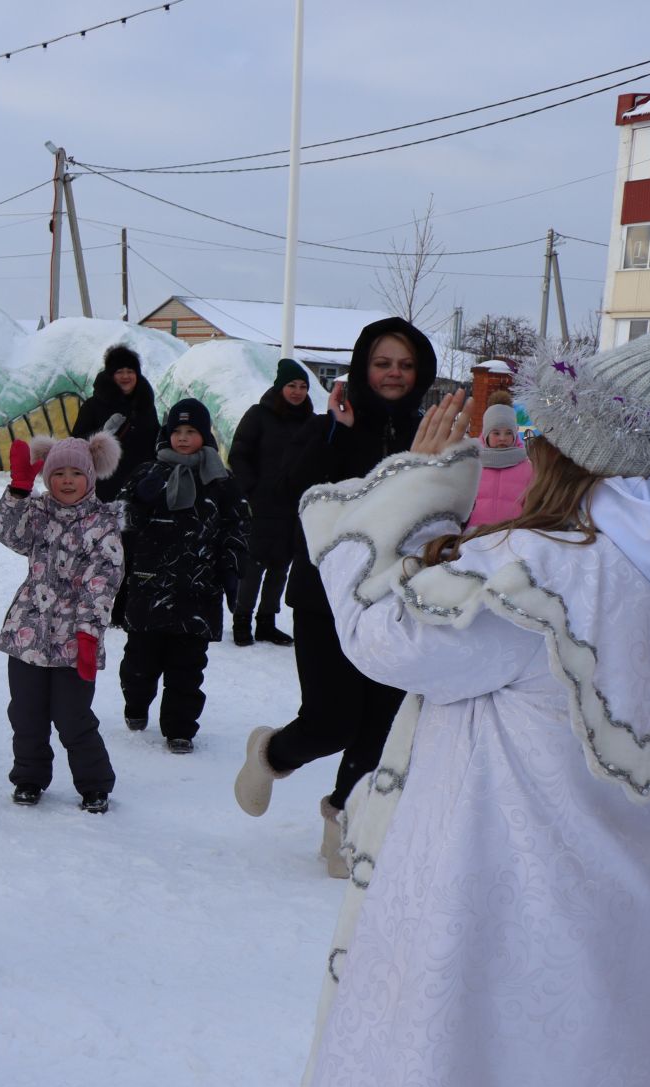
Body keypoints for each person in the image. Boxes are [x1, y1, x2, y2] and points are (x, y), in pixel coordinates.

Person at [273, 328, 650, 1087]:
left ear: (569, 447)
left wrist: (410, 488)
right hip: (630, 936)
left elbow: (382, 632)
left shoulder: (538, 571)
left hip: (503, 910)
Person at [233, 319, 435, 878]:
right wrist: (341, 435)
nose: (393, 374)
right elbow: (288, 491)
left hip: (397, 600)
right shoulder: (327, 429)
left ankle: (342, 819)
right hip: (326, 598)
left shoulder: (430, 433)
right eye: (382, 363)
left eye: (405, 365)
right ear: (362, 368)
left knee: (381, 726)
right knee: (331, 720)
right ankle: (270, 754)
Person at [0, 432, 125, 813]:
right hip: (27, 632)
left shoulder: (103, 525)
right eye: (59, 473)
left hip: (73, 640)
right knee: (26, 713)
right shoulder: (37, 513)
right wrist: (18, 490)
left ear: (91, 477)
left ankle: (94, 784)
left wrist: (87, 634)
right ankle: (29, 778)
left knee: (73, 718)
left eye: (76, 473)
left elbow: (102, 583)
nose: (67, 480)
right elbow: (5, 532)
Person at [117, 399, 246, 754]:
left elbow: (236, 527)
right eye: (178, 431)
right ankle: (136, 704)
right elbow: (121, 525)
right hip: (148, 587)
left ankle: (180, 728)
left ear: (204, 437)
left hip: (198, 590)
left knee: (188, 669)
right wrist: (139, 502)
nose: (184, 438)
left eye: (192, 432)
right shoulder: (147, 473)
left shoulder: (220, 481)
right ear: (167, 435)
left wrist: (233, 571)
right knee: (139, 663)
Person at [226, 359, 311, 646]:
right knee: (254, 565)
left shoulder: (310, 421)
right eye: (291, 386)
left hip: (293, 507)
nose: (297, 392)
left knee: (280, 567)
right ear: (279, 387)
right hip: (262, 505)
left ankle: (267, 622)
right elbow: (239, 454)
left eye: (302, 386)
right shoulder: (259, 415)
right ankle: (242, 620)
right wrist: (252, 490)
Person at [72, 343, 162, 503]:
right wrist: (103, 432)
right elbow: (75, 444)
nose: (125, 376)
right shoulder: (93, 406)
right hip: (105, 488)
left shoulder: (145, 405)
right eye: (119, 372)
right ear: (110, 375)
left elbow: (154, 438)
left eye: (130, 371)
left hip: (141, 487)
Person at [467, 397, 535, 528]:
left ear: (515, 434)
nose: (502, 438)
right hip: (474, 535)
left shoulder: (526, 467)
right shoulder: (473, 464)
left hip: (511, 535)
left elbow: (532, 504)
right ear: (486, 434)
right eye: (496, 433)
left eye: (508, 433)